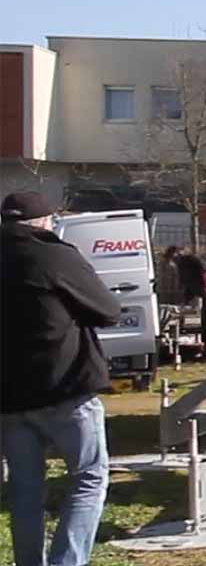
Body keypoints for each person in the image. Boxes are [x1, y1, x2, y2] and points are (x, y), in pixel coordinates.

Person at [1, 191, 121, 566]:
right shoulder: (53, 255)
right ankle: (67, 561)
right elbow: (108, 310)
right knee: (88, 479)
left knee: (24, 490)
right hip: (65, 387)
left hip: (8, 398)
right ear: (43, 222)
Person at [164, 245, 206, 360]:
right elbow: (188, 287)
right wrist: (184, 303)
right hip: (204, 295)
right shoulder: (181, 267)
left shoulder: (190, 259)